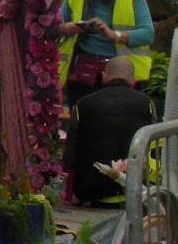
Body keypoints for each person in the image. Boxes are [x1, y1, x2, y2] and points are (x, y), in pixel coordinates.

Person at [57, 0, 154, 108]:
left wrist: (112, 34)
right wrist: (67, 28)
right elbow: (53, 25)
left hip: (120, 73)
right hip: (83, 74)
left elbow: (147, 34)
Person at [64, 57, 156, 206]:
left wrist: (70, 192)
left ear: (104, 76)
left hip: (91, 191)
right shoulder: (147, 103)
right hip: (136, 188)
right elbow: (152, 147)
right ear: (133, 81)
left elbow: (70, 153)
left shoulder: (82, 105)